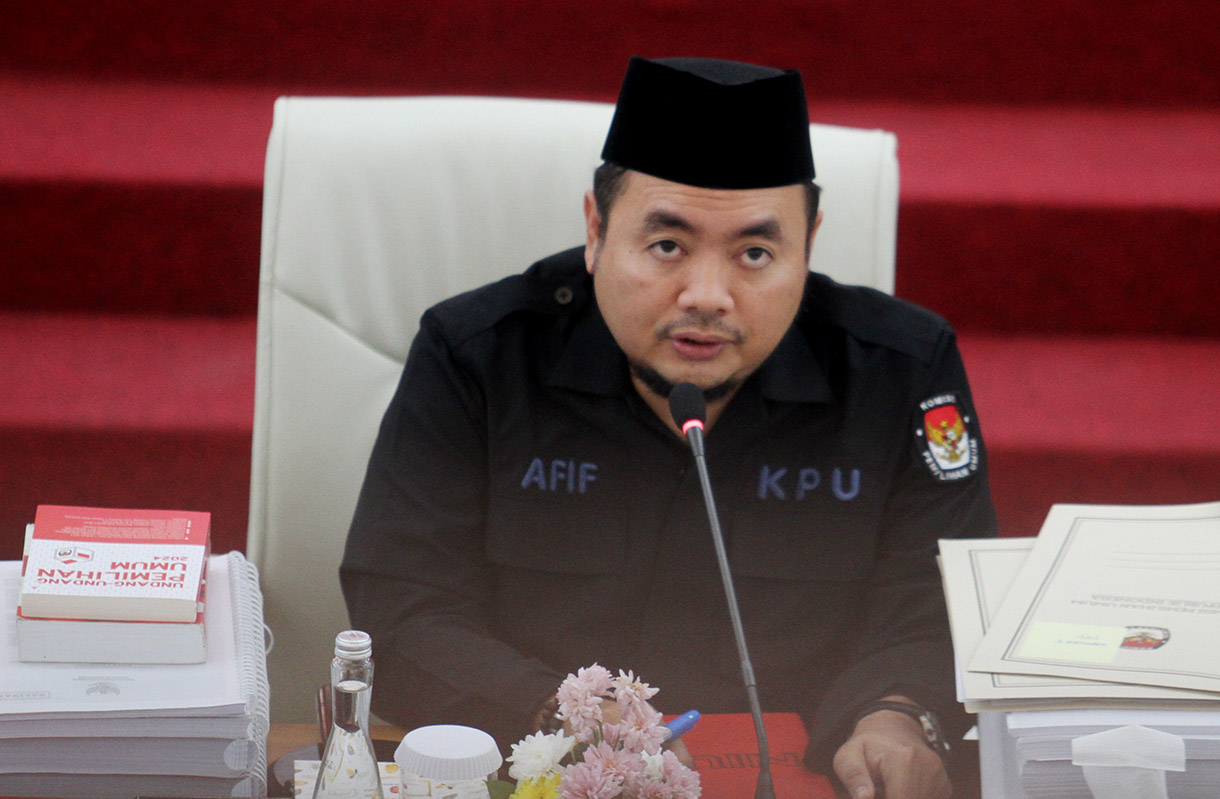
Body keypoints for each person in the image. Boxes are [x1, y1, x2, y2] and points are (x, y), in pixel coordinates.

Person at [341, 55, 997, 798]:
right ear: (595, 230)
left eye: (755, 253)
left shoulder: (901, 371)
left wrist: (898, 714)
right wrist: (559, 716)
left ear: (808, 245)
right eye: (666, 246)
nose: (708, 296)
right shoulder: (479, 357)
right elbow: (400, 608)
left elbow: (939, 603)